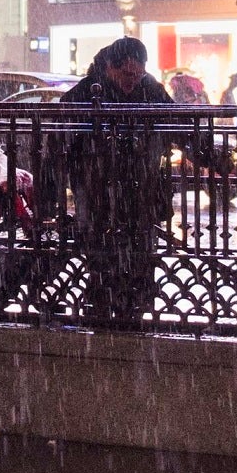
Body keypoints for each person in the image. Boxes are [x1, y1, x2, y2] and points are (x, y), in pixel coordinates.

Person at [61, 37, 173, 325]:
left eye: (137, 76)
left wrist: (212, 157)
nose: (131, 82)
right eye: (126, 75)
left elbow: (181, 126)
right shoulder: (84, 94)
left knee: (138, 257)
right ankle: (106, 308)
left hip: (139, 194)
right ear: (110, 68)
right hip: (99, 195)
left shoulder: (150, 89)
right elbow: (60, 149)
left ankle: (132, 310)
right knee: (103, 257)